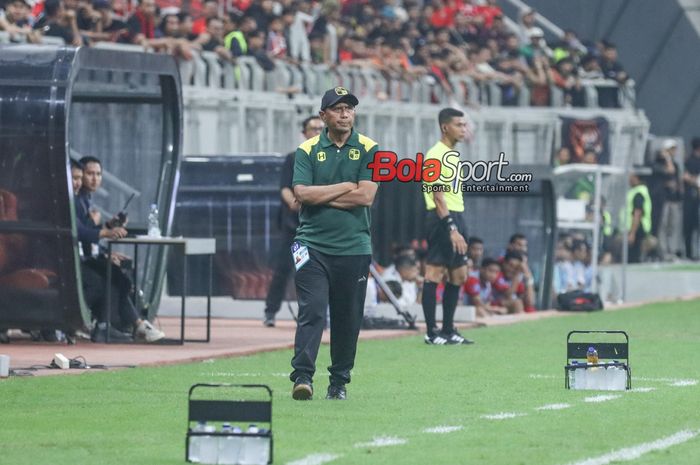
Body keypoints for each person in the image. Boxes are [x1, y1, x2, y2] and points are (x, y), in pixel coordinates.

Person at [289, 87, 379, 401]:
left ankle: (338, 381)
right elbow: (302, 194)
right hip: (309, 245)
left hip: (354, 247)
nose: (344, 114)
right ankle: (302, 376)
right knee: (312, 310)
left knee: (347, 316)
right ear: (323, 115)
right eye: (338, 109)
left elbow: (366, 196)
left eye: (349, 109)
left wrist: (322, 196)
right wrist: (344, 187)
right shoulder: (307, 149)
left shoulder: (370, 148)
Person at [76, 156, 165, 343]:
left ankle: (124, 324)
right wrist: (106, 233)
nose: (94, 178)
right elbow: (80, 233)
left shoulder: (85, 199)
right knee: (114, 275)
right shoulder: (75, 200)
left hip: (87, 257)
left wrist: (107, 229)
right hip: (78, 263)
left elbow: (88, 232)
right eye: (89, 174)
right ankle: (123, 325)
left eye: (98, 174)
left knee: (120, 270)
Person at [263, 116, 324, 327]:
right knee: (284, 269)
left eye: (320, 128)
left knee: (312, 273)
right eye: (313, 128)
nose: (317, 132)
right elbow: (285, 189)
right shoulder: (294, 158)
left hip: (320, 228)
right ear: (304, 132)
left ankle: (311, 314)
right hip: (296, 228)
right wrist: (296, 202)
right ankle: (270, 311)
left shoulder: (329, 158)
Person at [421, 107, 474, 346]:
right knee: (434, 273)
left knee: (459, 274)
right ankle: (431, 332)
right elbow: (437, 196)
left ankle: (449, 329)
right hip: (441, 218)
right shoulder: (435, 155)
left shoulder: (452, 154)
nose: (464, 129)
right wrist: (451, 227)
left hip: (457, 215)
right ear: (445, 127)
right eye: (459, 125)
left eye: (465, 125)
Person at [625, 171, 652, 263]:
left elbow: (637, 213)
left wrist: (632, 233)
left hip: (637, 229)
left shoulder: (638, 193)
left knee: (633, 259)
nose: (629, 179)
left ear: (636, 178)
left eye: (631, 176)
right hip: (636, 229)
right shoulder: (640, 191)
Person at [682, 137, 700, 259]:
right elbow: (685, 177)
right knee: (691, 226)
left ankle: (690, 253)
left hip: (690, 198)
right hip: (692, 198)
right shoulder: (690, 161)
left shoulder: (687, 161)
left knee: (690, 227)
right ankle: (690, 253)